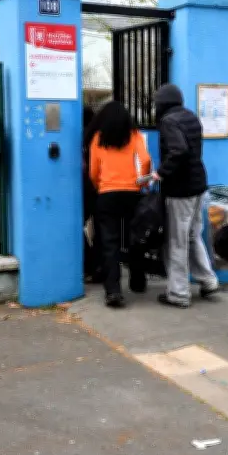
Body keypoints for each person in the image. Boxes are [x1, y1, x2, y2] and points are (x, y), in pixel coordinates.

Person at [151, 84, 218, 308]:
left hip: (180, 190)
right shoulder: (190, 117)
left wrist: (160, 172)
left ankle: (178, 293)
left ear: (162, 104)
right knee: (193, 235)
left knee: (177, 241)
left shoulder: (169, 121)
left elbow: (178, 150)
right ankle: (208, 280)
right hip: (199, 185)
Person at [88, 101, 151, 308]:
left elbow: (93, 171)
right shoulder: (134, 135)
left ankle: (113, 291)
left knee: (109, 243)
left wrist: (100, 186)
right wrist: (142, 181)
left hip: (107, 194)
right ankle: (138, 281)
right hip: (132, 193)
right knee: (135, 238)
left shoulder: (98, 138)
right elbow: (146, 159)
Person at [82, 105, 103, 282]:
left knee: (76, 226)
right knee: (101, 231)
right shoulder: (99, 135)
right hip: (100, 188)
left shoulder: (85, 137)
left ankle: (90, 265)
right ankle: (95, 266)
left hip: (88, 188)